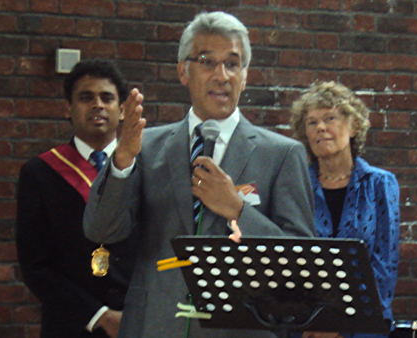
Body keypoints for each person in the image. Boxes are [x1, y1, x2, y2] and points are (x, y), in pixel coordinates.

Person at [83, 11, 315, 338]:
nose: (221, 75)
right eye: (207, 61)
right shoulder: (145, 146)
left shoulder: (281, 154)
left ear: (245, 76)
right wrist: (121, 161)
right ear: (183, 71)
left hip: (240, 330)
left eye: (232, 64)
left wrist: (237, 209)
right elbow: (100, 229)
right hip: (155, 325)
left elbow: (300, 265)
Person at [16, 59, 139, 338]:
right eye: (86, 97)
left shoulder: (145, 170)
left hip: (138, 322)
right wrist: (100, 316)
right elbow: (35, 266)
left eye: (106, 97)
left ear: (121, 111)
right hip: (71, 324)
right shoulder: (39, 173)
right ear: (68, 109)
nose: (97, 104)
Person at [290, 81, 400, 338]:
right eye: (312, 122)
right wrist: (314, 323)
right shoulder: (296, 185)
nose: (321, 128)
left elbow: (385, 266)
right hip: (306, 327)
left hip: (363, 326)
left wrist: (340, 326)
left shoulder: (379, 184)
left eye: (330, 118)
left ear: (354, 126)